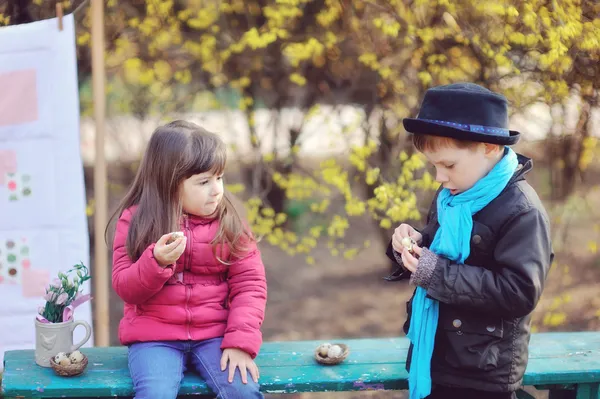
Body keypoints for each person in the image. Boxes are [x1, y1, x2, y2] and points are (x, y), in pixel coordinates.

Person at [385, 83, 553, 399]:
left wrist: (435, 273)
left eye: (448, 165)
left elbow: (519, 292)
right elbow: (439, 248)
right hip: (436, 354)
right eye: (434, 165)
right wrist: (412, 243)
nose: (439, 177)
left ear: (489, 148)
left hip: (483, 371)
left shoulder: (522, 211)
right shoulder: (453, 194)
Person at [108, 120, 267, 399]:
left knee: (242, 391)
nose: (217, 189)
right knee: (154, 394)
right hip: (154, 339)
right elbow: (125, 286)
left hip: (216, 335)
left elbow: (250, 285)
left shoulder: (229, 222)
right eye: (204, 182)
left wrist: (240, 343)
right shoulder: (137, 221)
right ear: (169, 183)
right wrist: (154, 263)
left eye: (219, 177)